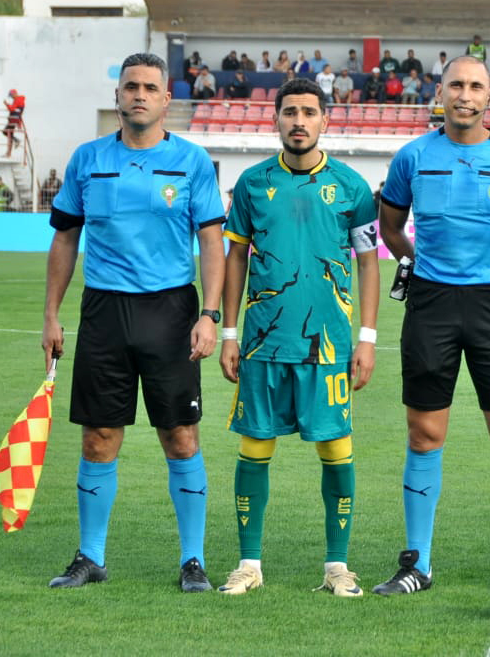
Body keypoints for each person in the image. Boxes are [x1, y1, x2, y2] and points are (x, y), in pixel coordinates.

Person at [42, 52, 225, 592]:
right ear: (117, 96)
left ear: (167, 99)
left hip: (170, 311)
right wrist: (51, 314)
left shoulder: (192, 161)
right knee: (98, 437)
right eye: (130, 86)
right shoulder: (87, 159)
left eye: (149, 87)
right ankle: (90, 557)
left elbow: (211, 241)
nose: (139, 94)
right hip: (104, 312)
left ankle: (192, 561)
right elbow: (65, 238)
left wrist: (209, 314)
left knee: (181, 436)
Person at [373, 55, 490, 595]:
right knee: (424, 433)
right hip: (431, 305)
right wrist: (416, 265)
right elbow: (390, 225)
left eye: (476, 86)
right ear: (440, 92)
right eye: (456, 85)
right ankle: (418, 564)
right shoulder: (412, 157)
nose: (465, 95)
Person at [217, 77, 380, 597]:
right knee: (254, 447)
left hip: (328, 346)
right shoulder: (252, 184)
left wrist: (367, 338)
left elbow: (370, 263)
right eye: (290, 112)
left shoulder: (352, 187)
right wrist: (228, 333)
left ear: (325, 120)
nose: (299, 121)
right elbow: (235, 258)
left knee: (336, 449)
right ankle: (249, 565)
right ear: (276, 120)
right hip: (262, 343)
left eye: (309, 112)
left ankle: (337, 567)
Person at [3, 88, 25, 156]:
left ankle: (16, 141)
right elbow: (16, 110)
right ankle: (8, 153)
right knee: (9, 134)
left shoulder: (18, 100)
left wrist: (6, 104)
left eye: (11, 95)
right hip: (14, 119)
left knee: (5, 132)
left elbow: (12, 109)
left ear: (14, 94)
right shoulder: (19, 100)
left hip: (13, 119)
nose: (11, 97)